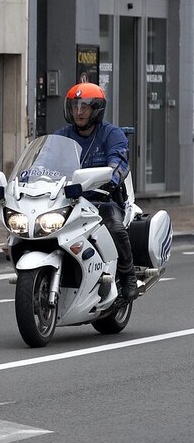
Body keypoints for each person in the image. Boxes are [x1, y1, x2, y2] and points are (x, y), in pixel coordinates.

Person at [55, 83, 138, 301]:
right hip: (68, 202)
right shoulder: (62, 136)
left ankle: (128, 276)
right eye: (75, 106)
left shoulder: (112, 134)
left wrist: (113, 177)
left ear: (96, 109)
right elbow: (44, 163)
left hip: (103, 201)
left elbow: (120, 160)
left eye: (85, 106)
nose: (79, 112)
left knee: (115, 227)